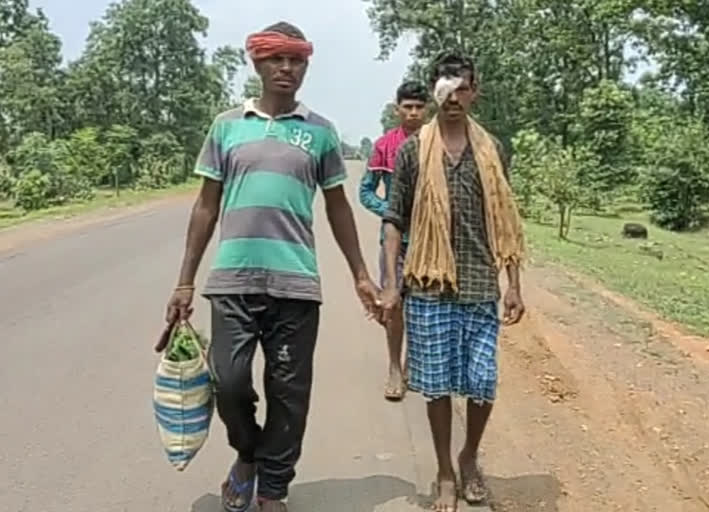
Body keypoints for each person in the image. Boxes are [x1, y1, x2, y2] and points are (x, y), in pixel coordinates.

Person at [163, 22, 380, 512]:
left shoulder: (319, 132)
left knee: (288, 393)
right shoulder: (226, 126)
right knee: (230, 382)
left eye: (296, 60)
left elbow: (338, 207)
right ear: (257, 64)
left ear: (305, 66)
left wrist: (361, 275)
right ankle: (247, 454)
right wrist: (184, 281)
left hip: (296, 285)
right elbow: (205, 206)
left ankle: (274, 489)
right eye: (275, 59)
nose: (286, 69)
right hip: (233, 281)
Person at [379, 53, 526, 512]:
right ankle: (445, 470)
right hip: (427, 284)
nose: (455, 96)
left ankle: (469, 456)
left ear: (475, 92)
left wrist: (514, 284)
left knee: (482, 382)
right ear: (434, 91)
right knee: (438, 385)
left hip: (482, 282)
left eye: (463, 87)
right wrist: (390, 282)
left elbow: (504, 220)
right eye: (446, 87)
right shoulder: (411, 151)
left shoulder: (494, 149)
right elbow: (393, 219)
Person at [359, 81, 428, 401]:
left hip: (430, 241)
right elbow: (366, 191)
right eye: (407, 107)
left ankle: (413, 363)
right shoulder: (385, 145)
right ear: (397, 108)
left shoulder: (436, 143)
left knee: (423, 305)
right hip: (394, 241)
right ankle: (394, 368)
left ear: (427, 109)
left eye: (419, 107)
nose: (413, 113)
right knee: (393, 303)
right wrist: (391, 211)